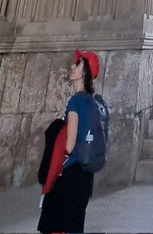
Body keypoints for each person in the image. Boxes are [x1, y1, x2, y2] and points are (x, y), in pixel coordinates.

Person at [38, 48, 105, 234]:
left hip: (70, 175)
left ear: (84, 72)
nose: (72, 66)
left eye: (77, 64)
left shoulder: (76, 102)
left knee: (56, 226)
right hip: (85, 175)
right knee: (75, 225)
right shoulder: (92, 101)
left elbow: (69, 145)